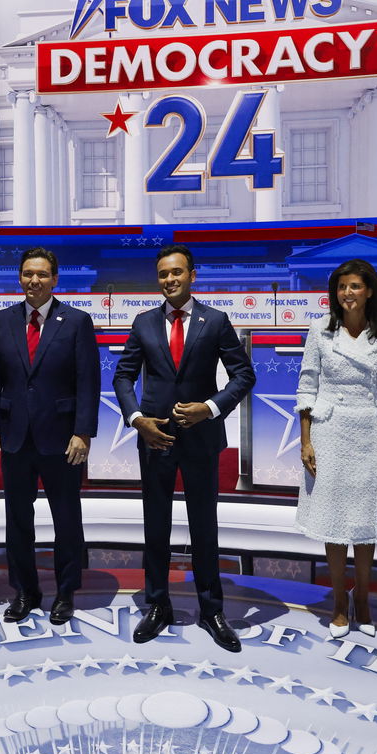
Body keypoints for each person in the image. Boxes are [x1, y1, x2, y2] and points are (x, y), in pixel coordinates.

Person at [113, 244, 255, 652]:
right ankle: (158, 606)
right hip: (154, 439)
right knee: (155, 527)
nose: (170, 280)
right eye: (162, 274)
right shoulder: (143, 323)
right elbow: (123, 378)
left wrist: (209, 408)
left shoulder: (216, 321)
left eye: (177, 272)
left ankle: (211, 611)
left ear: (193, 275)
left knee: (203, 527)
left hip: (201, 439)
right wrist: (138, 420)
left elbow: (243, 375)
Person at [0, 247, 99, 626]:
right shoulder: (2, 321)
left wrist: (83, 432)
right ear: (20, 277)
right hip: (14, 438)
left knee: (66, 519)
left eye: (42, 274)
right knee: (17, 521)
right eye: (28, 274)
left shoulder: (76, 321)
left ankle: (65, 592)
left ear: (54, 279)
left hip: (63, 439)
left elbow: (88, 382)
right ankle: (25, 591)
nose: (35, 281)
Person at [296, 259, 377, 639]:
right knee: (333, 521)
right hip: (330, 431)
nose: (348, 293)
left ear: (370, 291)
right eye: (342, 287)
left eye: (355, 286)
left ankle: (363, 598)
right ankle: (338, 603)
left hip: (371, 432)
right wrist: (307, 439)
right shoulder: (320, 330)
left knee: (365, 522)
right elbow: (307, 385)